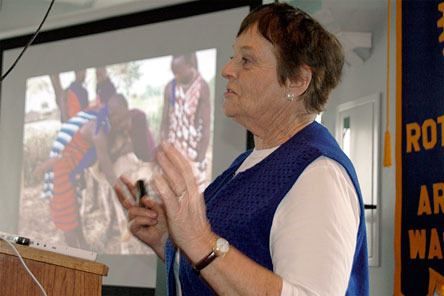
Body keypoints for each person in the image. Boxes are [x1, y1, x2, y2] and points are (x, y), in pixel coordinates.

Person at [114, 3, 369, 296]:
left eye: (246, 60)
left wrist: (199, 240)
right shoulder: (246, 164)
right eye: (234, 56)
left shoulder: (319, 174)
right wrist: (169, 240)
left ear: (298, 80)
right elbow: (221, 269)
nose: (227, 70)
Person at [39, 93, 131, 248]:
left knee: (74, 207)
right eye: (121, 119)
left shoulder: (101, 114)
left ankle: (83, 246)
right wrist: (128, 201)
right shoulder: (98, 131)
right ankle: (75, 255)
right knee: (67, 217)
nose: (123, 123)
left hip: (70, 165)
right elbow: (108, 173)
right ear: (112, 115)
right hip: (60, 169)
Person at [160, 52, 211, 190]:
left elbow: (206, 127)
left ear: (190, 65)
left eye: (178, 71)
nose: (175, 75)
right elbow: (164, 121)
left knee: (196, 199)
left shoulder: (202, 87)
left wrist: (199, 160)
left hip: (194, 154)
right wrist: (164, 151)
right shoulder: (170, 88)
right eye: (173, 72)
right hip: (173, 151)